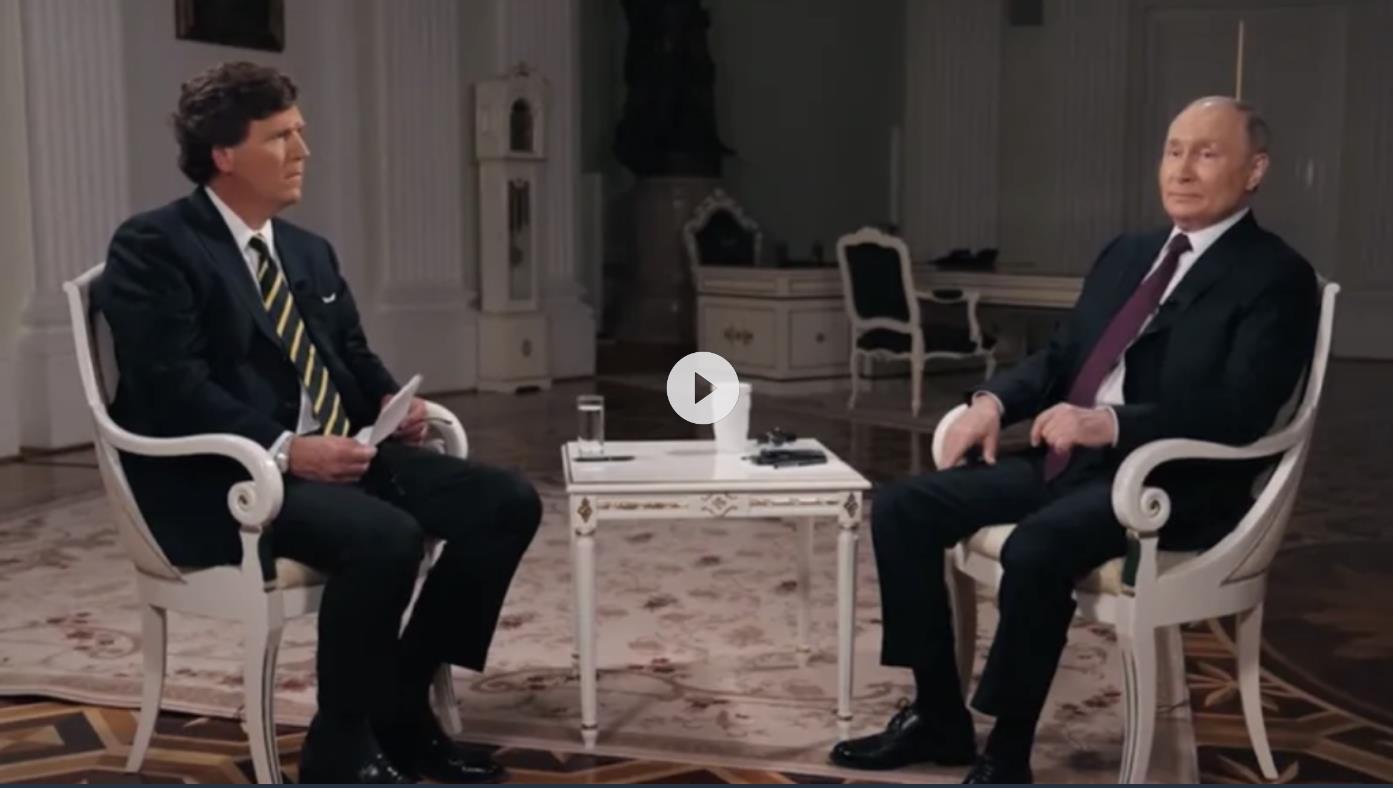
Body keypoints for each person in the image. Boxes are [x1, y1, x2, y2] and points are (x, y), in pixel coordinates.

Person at [828, 96, 1318, 783]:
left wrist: (1111, 423)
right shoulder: (1127, 254)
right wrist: (992, 401)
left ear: (1254, 170)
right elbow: (1061, 357)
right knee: (904, 507)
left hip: (1169, 483)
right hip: (1070, 463)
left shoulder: (1276, 277)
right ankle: (937, 717)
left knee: (1037, 547)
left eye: (1206, 154)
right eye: (1173, 151)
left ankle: (1007, 753)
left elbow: (1240, 411)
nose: (1181, 170)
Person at [95, 62, 541, 784]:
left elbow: (351, 355)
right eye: (281, 137)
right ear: (224, 154)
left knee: (505, 502)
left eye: (300, 132)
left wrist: (394, 404)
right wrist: (287, 450)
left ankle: (402, 702)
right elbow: (173, 387)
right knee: (385, 537)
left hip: (337, 454)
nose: (303, 150)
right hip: (225, 480)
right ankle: (340, 748)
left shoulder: (306, 249)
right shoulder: (154, 245)